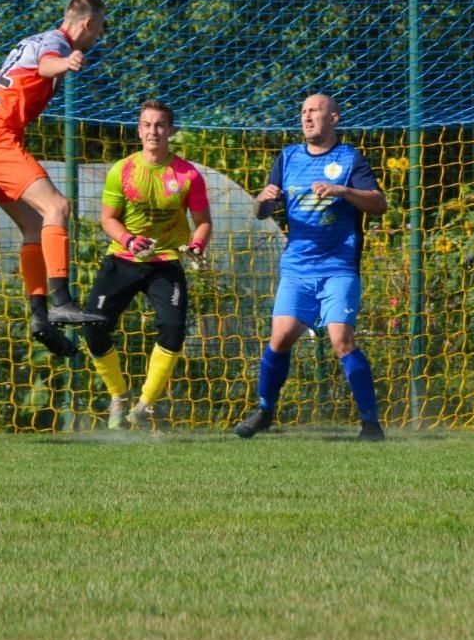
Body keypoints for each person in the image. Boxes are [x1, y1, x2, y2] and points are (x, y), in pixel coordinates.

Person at [0, 0, 109, 359]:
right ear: (87, 24)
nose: (100, 36)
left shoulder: (34, 39)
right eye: (101, 29)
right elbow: (45, 67)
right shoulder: (56, 43)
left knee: (33, 228)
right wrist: (67, 62)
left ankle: (40, 317)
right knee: (57, 206)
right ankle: (61, 300)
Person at [234, 94, 388, 441]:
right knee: (280, 338)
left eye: (314, 111)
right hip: (297, 268)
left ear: (333, 118)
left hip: (338, 267)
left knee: (341, 340)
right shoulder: (287, 158)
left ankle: (370, 423)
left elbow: (379, 203)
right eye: (303, 111)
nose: (306, 117)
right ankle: (265, 410)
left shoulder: (350, 159)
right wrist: (262, 201)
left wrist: (343, 191)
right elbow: (262, 210)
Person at [82, 100, 213, 429]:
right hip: (122, 259)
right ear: (139, 130)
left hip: (165, 264)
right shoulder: (121, 170)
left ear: (170, 131)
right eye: (147, 125)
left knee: (173, 328)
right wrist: (128, 240)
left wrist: (197, 244)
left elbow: (203, 222)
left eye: (159, 125)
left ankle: (144, 406)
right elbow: (108, 219)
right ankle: (118, 395)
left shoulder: (188, 175)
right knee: (93, 324)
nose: (153, 131)